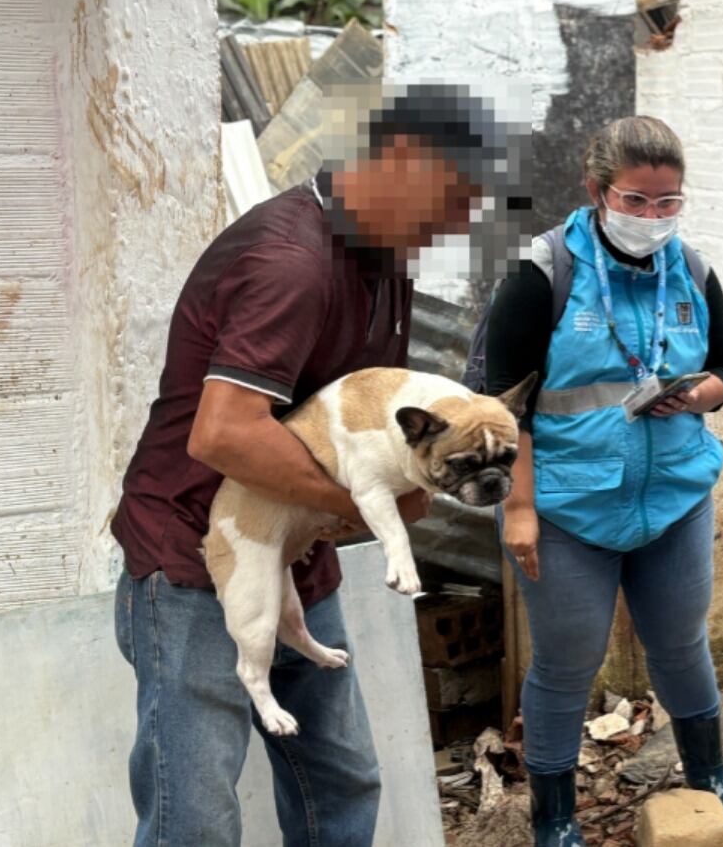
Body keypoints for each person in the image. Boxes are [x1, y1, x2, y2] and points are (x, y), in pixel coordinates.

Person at [111, 86, 509, 846]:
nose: (457, 225)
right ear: (398, 161)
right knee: (193, 819)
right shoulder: (290, 261)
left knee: (339, 780)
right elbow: (223, 435)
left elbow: (373, 420)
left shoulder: (384, 259)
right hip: (198, 557)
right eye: (454, 201)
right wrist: (363, 507)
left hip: (300, 547)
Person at [483, 116, 723, 846]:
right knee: (567, 660)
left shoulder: (692, 272)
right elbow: (504, 408)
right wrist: (522, 509)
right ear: (598, 191)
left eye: (668, 203)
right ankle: (556, 815)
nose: (654, 218)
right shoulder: (542, 276)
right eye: (637, 201)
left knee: (681, 642)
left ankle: (710, 773)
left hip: (674, 498)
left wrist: (700, 396)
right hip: (568, 507)